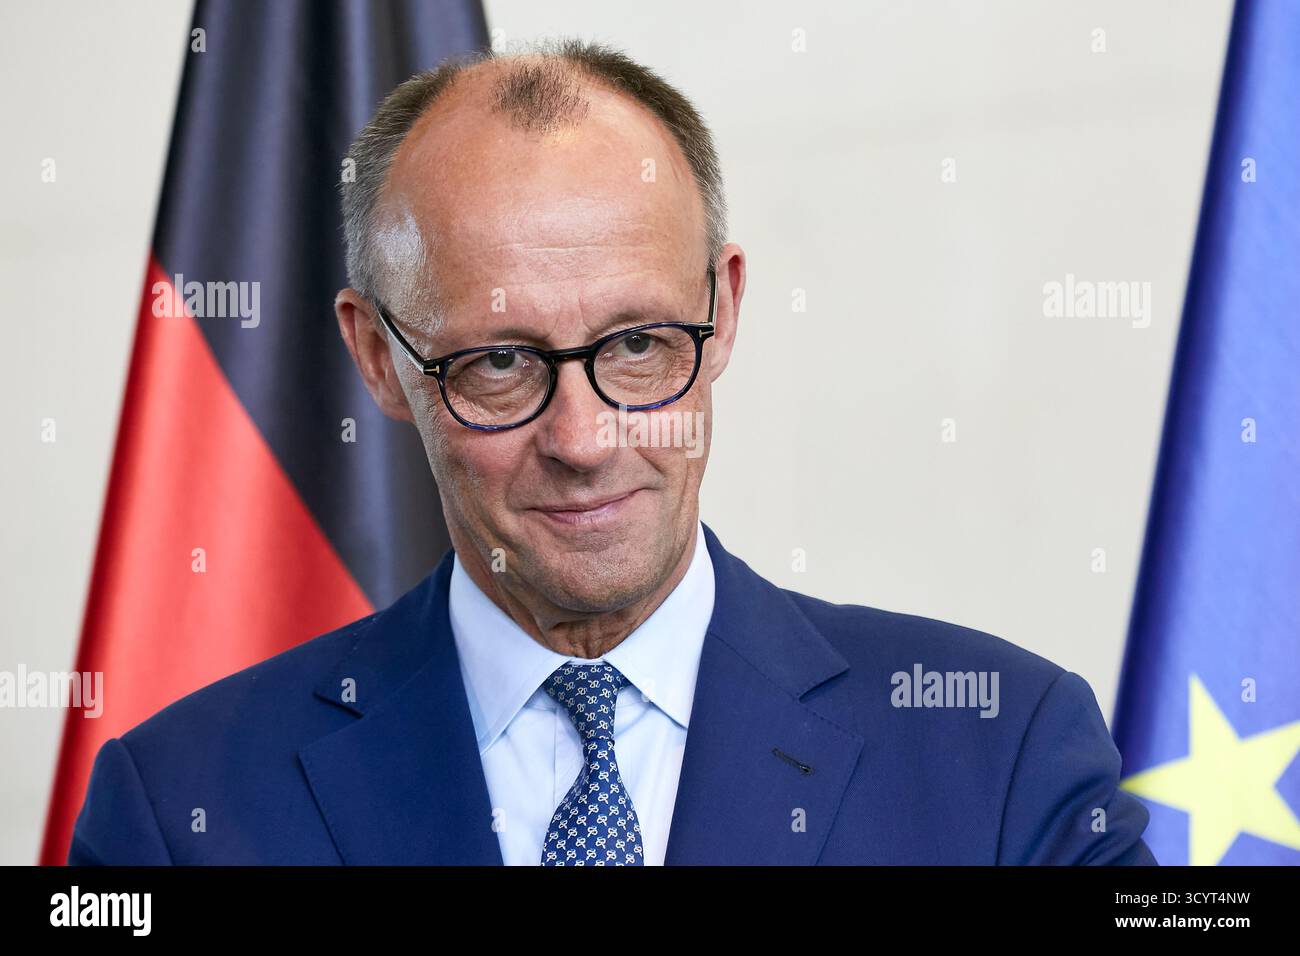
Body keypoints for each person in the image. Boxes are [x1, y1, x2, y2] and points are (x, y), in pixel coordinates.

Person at [68, 39, 1156, 866]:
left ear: (721, 310)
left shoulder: (1004, 754)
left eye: (638, 346)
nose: (583, 440)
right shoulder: (180, 809)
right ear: (377, 355)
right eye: (498, 362)